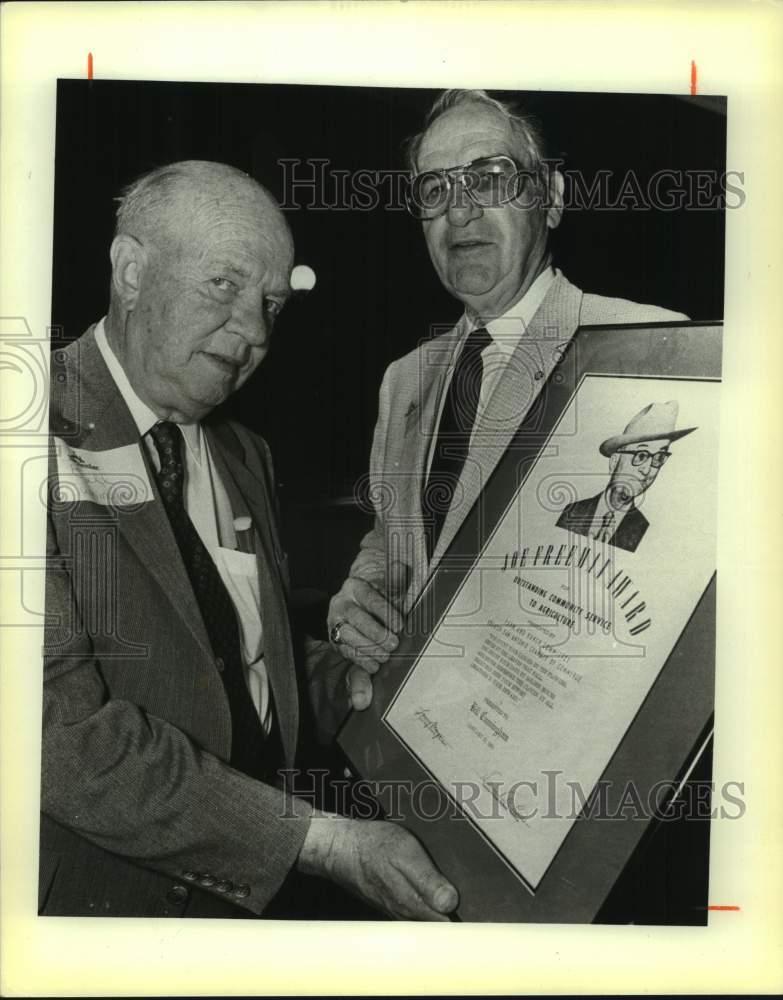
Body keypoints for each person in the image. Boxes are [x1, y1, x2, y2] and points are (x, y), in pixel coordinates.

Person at [40, 160, 458, 921]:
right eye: (223, 287)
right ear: (131, 269)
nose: (254, 333)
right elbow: (56, 737)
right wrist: (322, 843)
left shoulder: (245, 455)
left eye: (270, 303)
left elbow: (225, 645)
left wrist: (346, 681)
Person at [328, 89, 688, 693]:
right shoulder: (404, 380)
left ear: (551, 199)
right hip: (407, 739)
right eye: (435, 189)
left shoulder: (648, 351)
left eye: (489, 177)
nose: (459, 212)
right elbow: (394, 538)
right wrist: (360, 603)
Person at [556, 400, 697, 553]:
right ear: (615, 461)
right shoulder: (571, 511)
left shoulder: (645, 532)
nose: (647, 469)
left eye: (659, 457)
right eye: (641, 455)